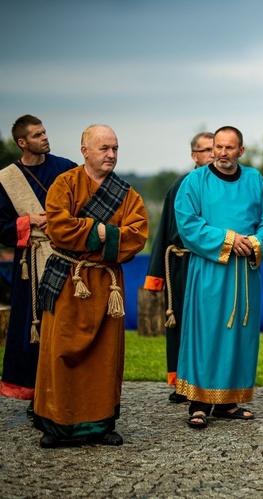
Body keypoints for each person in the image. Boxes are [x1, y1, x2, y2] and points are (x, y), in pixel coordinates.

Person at [34, 125, 148, 448]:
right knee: (59, 352)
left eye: (115, 148)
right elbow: (58, 226)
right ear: (85, 150)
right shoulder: (64, 184)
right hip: (69, 279)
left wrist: (101, 234)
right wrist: (104, 231)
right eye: (104, 148)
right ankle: (57, 425)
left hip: (105, 284)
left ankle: (100, 425)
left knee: (104, 356)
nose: (111, 154)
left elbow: (137, 234)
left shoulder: (129, 195)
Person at [174, 126, 263, 429]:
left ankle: (228, 401)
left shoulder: (254, 180)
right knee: (206, 333)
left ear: (240, 151)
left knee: (238, 336)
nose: (222, 153)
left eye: (229, 148)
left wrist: (256, 241)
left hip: (244, 273)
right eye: (218, 147)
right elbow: (188, 224)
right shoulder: (195, 181)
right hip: (210, 270)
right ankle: (199, 402)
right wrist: (229, 240)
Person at [0, 115, 76, 415]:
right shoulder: (7, 179)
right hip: (29, 264)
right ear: (22, 142)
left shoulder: (66, 168)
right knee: (33, 327)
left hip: (66, 258)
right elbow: (1, 227)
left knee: (66, 325)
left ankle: (69, 390)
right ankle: (37, 395)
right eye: (36, 135)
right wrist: (27, 221)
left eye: (44, 132)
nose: (44, 137)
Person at [143, 132, 214, 404]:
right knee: (182, 323)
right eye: (205, 150)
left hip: (211, 263)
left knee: (211, 322)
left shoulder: (224, 185)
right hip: (183, 264)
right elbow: (163, 232)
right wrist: (156, 275)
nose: (211, 154)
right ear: (194, 155)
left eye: (214, 148)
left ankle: (212, 380)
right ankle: (182, 381)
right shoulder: (181, 184)